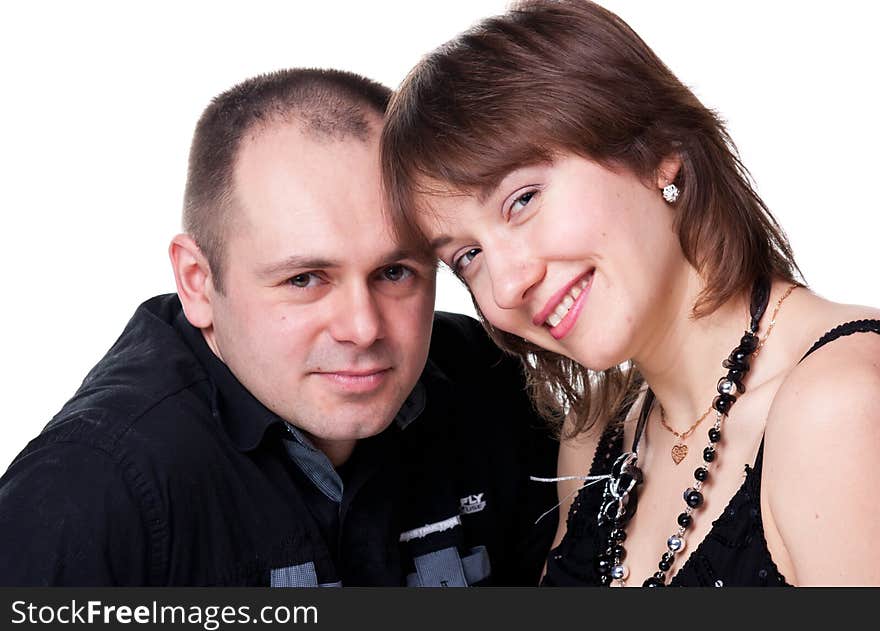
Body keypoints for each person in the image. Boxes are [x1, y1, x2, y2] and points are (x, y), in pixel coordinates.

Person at [380, 0, 880, 586]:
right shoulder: (594, 442)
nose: (509, 284)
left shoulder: (839, 407)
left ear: (659, 152)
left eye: (522, 199)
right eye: (467, 257)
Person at [0, 68, 558, 586]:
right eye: (305, 279)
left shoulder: (488, 382)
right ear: (197, 281)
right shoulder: (89, 489)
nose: (363, 329)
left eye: (394, 272)